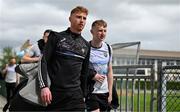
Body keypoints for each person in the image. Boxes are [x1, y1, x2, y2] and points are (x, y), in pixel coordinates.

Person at [39, 6, 90, 111]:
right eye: (78, 17)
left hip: (76, 97)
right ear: (70, 18)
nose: (82, 21)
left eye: (84, 18)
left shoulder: (86, 45)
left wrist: (84, 95)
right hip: (55, 95)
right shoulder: (56, 37)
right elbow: (43, 62)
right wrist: (44, 87)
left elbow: (84, 73)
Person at [9, 29, 51, 111]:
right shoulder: (36, 47)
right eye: (46, 37)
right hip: (32, 76)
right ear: (43, 37)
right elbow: (23, 59)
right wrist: (39, 59)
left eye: (50, 38)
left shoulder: (52, 48)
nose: (48, 40)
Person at [86, 20, 113, 112]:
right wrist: (92, 75)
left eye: (105, 31)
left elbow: (109, 71)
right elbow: (80, 69)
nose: (103, 33)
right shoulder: (85, 48)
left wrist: (110, 92)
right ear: (92, 32)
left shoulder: (108, 48)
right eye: (100, 30)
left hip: (104, 91)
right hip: (91, 91)